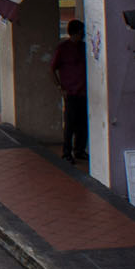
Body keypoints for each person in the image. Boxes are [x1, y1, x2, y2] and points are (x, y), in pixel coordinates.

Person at [50, 19, 87, 163]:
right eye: (80, 33)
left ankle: (79, 149)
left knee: (83, 124)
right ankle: (67, 152)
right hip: (71, 91)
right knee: (70, 124)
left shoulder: (83, 47)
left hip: (83, 91)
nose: (81, 36)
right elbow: (52, 69)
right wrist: (60, 87)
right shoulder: (63, 48)